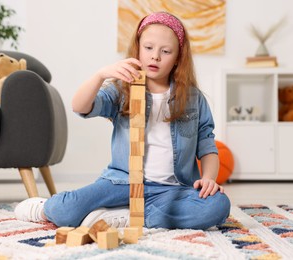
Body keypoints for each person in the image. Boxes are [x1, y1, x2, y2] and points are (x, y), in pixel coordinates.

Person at [15, 11, 230, 230]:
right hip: (121, 183)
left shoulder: (193, 98)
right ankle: (42, 208)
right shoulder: (121, 90)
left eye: (165, 51)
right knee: (65, 211)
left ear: (177, 58)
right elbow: (79, 106)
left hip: (172, 189)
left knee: (218, 206)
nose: (155, 56)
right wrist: (101, 75)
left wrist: (209, 179)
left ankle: (132, 215)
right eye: (148, 48)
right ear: (137, 48)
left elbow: (206, 144)